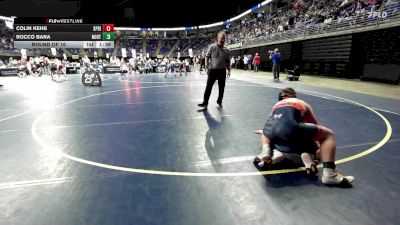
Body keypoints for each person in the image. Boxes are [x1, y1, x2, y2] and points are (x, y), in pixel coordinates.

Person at [254, 87, 355, 185]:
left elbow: (272, 123)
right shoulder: (301, 102)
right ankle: (329, 173)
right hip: (292, 131)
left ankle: (268, 151)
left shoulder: (276, 105)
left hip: (272, 132)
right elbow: (316, 125)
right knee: (328, 136)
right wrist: (317, 147)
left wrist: (264, 132)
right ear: (294, 96)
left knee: (270, 133)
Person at [198, 31, 231, 109]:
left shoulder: (227, 50)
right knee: (208, 87)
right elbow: (207, 57)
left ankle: (219, 101)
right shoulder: (212, 47)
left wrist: (229, 70)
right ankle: (205, 103)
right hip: (212, 70)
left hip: (222, 71)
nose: (222, 40)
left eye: (224, 38)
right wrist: (206, 67)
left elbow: (228, 61)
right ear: (217, 38)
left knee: (221, 88)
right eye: (221, 38)